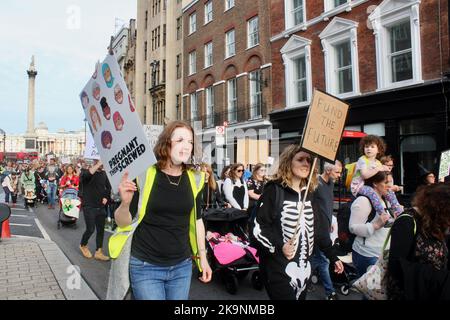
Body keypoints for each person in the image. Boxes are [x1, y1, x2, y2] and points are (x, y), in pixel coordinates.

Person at [107, 121, 212, 300]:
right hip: (145, 267)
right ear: (166, 143)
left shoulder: (196, 179)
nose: (186, 146)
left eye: (190, 142)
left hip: (182, 266)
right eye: (180, 140)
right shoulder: (144, 174)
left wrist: (203, 257)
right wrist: (125, 204)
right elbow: (122, 222)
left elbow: (198, 220)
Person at [253, 145, 344, 300]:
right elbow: (257, 228)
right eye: (300, 159)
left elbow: (320, 229)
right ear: (288, 162)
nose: (306, 163)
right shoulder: (274, 190)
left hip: (305, 269)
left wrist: (333, 256)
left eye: (308, 160)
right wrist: (279, 245)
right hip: (278, 268)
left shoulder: (310, 194)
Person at [387, 183, 450, 300]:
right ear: (438, 208)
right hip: (410, 294)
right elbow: (397, 267)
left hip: (432, 292)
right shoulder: (407, 222)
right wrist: (437, 277)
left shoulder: (434, 222)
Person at [349, 171, 392, 277]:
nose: (390, 185)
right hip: (368, 254)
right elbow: (352, 227)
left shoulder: (386, 200)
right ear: (375, 183)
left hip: (383, 253)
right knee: (370, 291)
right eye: (386, 182)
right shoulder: (363, 201)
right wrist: (375, 225)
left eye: (391, 182)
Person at [311, 160, 343, 300]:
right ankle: (330, 293)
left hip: (325, 227)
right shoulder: (316, 184)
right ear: (328, 171)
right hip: (317, 229)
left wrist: (330, 220)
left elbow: (327, 204)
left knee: (317, 259)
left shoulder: (331, 183)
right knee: (324, 261)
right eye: (337, 172)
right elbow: (312, 207)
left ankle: (303, 278)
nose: (339, 175)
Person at [350, 135, 403, 219]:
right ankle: (383, 215)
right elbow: (364, 175)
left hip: (372, 185)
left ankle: (398, 210)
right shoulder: (362, 160)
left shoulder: (377, 162)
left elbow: (382, 177)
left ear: (378, 150)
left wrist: (386, 170)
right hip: (359, 186)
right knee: (371, 192)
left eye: (372, 147)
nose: (369, 149)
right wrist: (379, 168)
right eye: (366, 146)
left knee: (389, 191)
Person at [79, 160, 111, 262]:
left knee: (101, 230)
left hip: (100, 207)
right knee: (90, 229)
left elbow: (108, 188)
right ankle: (83, 245)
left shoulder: (104, 174)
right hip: (89, 206)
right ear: (94, 161)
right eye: (98, 161)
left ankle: (99, 252)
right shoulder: (85, 171)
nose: (101, 164)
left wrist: (106, 197)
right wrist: (97, 164)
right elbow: (87, 176)